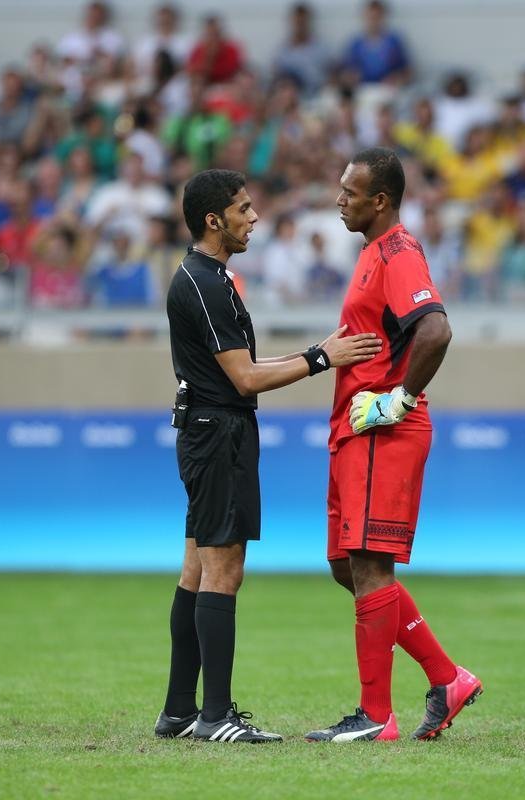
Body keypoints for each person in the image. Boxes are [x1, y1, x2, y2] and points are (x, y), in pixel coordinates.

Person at [155, 168, 382, 744]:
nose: (254, 217)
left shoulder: (211, 278)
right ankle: (216, 716)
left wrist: (317, 353)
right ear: (214, 220)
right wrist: (323, 357)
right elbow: (245, 377)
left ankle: (180, 710)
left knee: (196, 568)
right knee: (223, 570)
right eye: (243, 208)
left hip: (207, 431)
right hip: (218, 435)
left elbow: (243, 367)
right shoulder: (204, 282)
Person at [304, 148, 482, 743]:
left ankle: (376, 716)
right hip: (354, 426)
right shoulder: (371, 254)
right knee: (344, 565)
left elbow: (436, 329)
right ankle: (447, 677)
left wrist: (397, 399)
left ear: (380, 200)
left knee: (370, 564)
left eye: (350, 192)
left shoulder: (399, 253)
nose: (339, 199)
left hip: (383, 426)